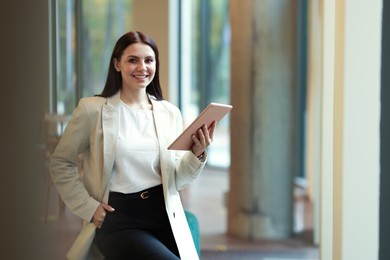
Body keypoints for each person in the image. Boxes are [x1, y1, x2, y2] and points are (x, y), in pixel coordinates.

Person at [50, 31, 216, 260]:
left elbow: (177, 180)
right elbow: (60, 162)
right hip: (119, 220)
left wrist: (196, 154)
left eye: (149, 60)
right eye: (133, 60)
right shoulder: (92, 109)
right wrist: (88, 208)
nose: (142, 67)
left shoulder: (169, 113)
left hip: (165, 214)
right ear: (117, 64)